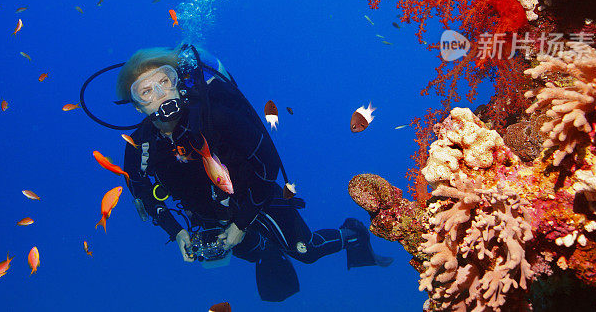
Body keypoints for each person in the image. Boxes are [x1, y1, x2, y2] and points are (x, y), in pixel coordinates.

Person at [116, 44, 392, 301]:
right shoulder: (139, 145)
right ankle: (265, 248)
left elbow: (268, 166)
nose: (161, 93)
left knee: (306, 251)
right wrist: (176, 232)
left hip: (257, 195)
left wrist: (241, 224)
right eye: (146, 91)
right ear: (137, 106)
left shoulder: (217, 117)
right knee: (253, 250)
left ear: (178, 81)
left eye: (165, 80)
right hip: (212, 216)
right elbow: (140, 191)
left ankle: (352, 233)